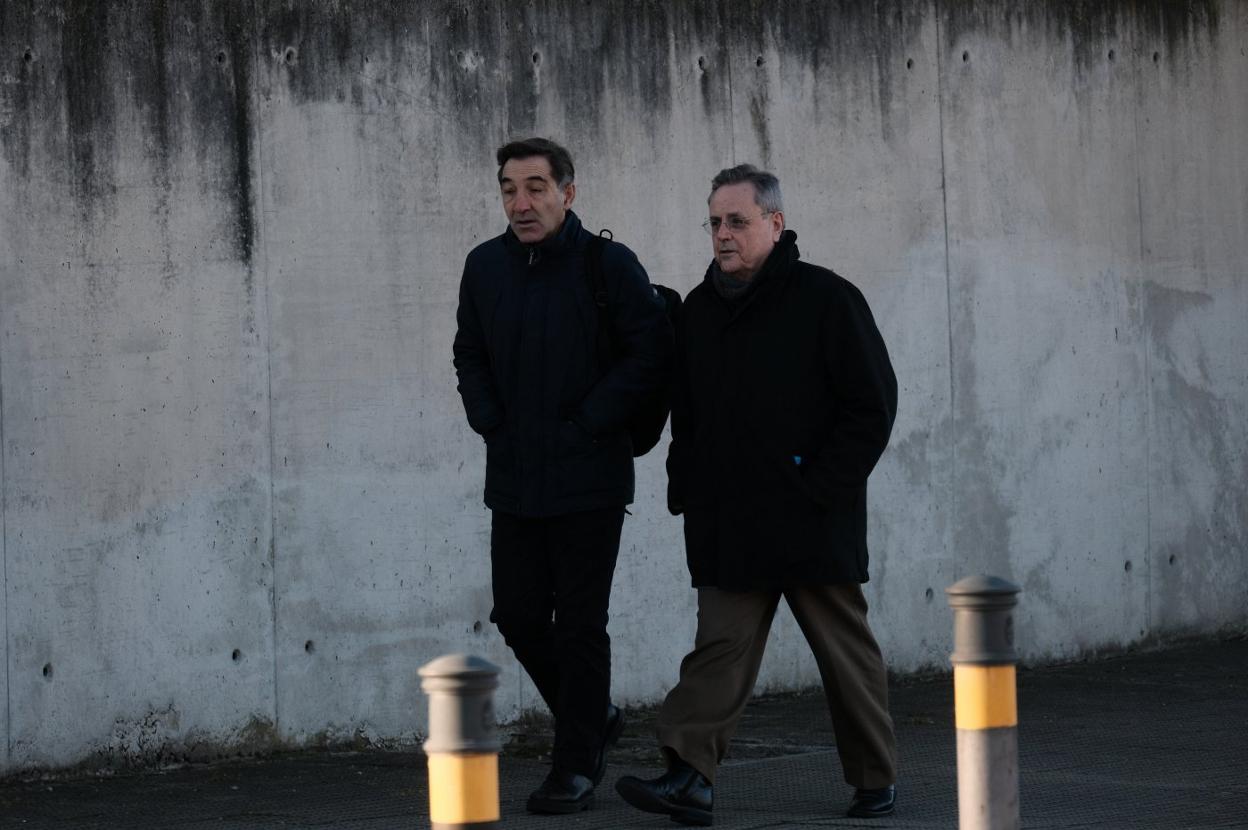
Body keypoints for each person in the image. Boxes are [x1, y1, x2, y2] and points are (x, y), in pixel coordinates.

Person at [615, 164, 899, 825]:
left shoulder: (828, 299)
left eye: (737, 221)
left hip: (810, 519)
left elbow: (872, 406)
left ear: (775, 223)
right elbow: (687, 414)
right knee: (718, 651)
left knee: (845, 655)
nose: (723, 234)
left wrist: (818, 486)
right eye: (714, 222)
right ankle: (690, 776)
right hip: (729, 522)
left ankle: (875, 777)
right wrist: (687, 490)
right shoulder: (697, 311)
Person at [452, 137, 672, 814]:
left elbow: (650, 353)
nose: (521, 203)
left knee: (579, 625)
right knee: (518, 615)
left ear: (567, 194)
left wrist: (588, 424)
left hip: (589, 476)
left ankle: (575, 765)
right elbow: (469, 351)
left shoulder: (608, 265)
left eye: (536, 188)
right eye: (509, 189)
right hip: (515, 475)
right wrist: (490, 421)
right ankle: (593, 716)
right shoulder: (484, 266)